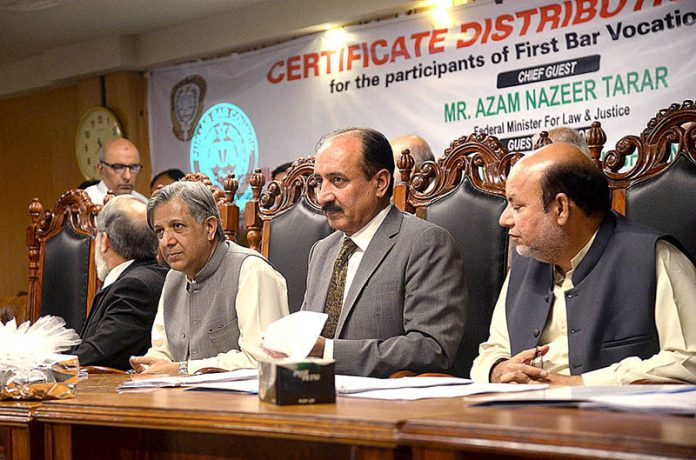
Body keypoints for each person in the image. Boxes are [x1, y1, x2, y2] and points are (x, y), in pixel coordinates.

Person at [470, 143, 696, 385]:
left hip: (617, 420)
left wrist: (582, 384)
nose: (504, 219)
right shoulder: (524, 263)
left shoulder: (654, 257)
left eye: (517, 207)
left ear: (561, 208)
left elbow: (688, 360)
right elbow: (493, 349)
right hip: (523, 414)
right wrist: (498, 369)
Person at [280, 127, 466, 377]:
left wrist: (330, 352)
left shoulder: (425, 243)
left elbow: (431, 348)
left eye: (337, 180)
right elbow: (309, 336)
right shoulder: (322, 250)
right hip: (314, 394)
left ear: (380, 183)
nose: (323, 196)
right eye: (318, 182)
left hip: (386, 401)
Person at [130, 181, 288, 375]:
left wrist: (182, 369)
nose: (167, 241)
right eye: (160, 231)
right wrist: (151, 365)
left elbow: (264, 361)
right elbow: (162, 351)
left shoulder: (251, 271)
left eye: (177, 226)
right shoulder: (173, 277)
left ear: (210, 227)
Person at [73, 195, 168, 370]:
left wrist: (45, 365)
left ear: (105, 241)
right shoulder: (146, 276)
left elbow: (100, 353)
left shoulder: (134, 286)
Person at [85, 137, 147, 204]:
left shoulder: (144, 204)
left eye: (133, 167)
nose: (127, 176)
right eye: (118, 167)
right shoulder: (86, 202)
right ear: (101, 170)